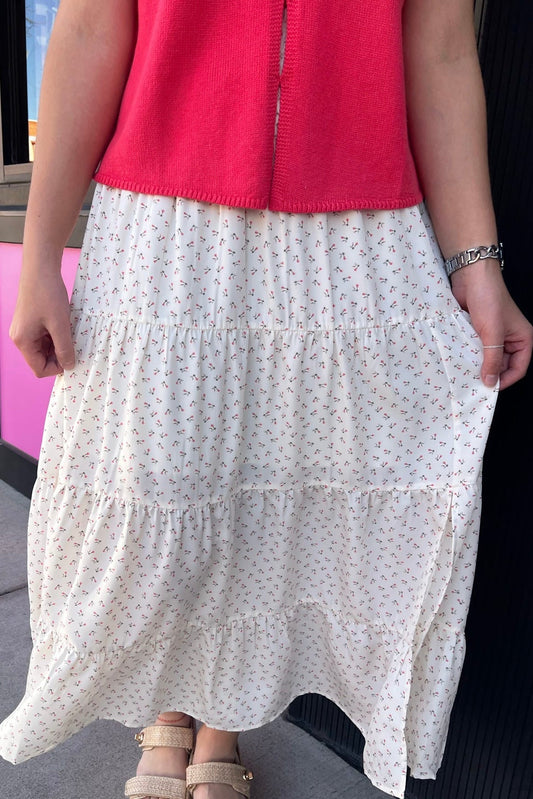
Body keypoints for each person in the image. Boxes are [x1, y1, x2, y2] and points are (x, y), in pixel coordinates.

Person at [0, 1, 531, 798]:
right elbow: (88, 25)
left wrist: (476, 261)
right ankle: (170, 710)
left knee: (276, 502)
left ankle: (222, 718)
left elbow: (443, 48)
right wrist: (41, 249)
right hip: (167, 223)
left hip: (354, 226)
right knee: (165, 490)